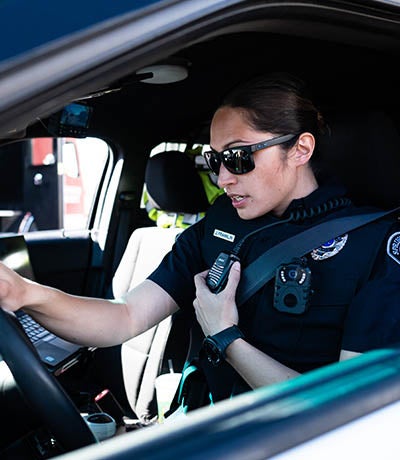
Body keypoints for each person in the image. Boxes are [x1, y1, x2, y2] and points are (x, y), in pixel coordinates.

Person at [1, 72, 399, 406]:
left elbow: (346, 406)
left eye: (239, 157)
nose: (223, 178)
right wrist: (24, 294)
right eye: (214, 160)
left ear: (300, 149)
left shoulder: (376, 245)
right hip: (206, 423)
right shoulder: (219, 224)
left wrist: (225, 336)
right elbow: (124, 318)